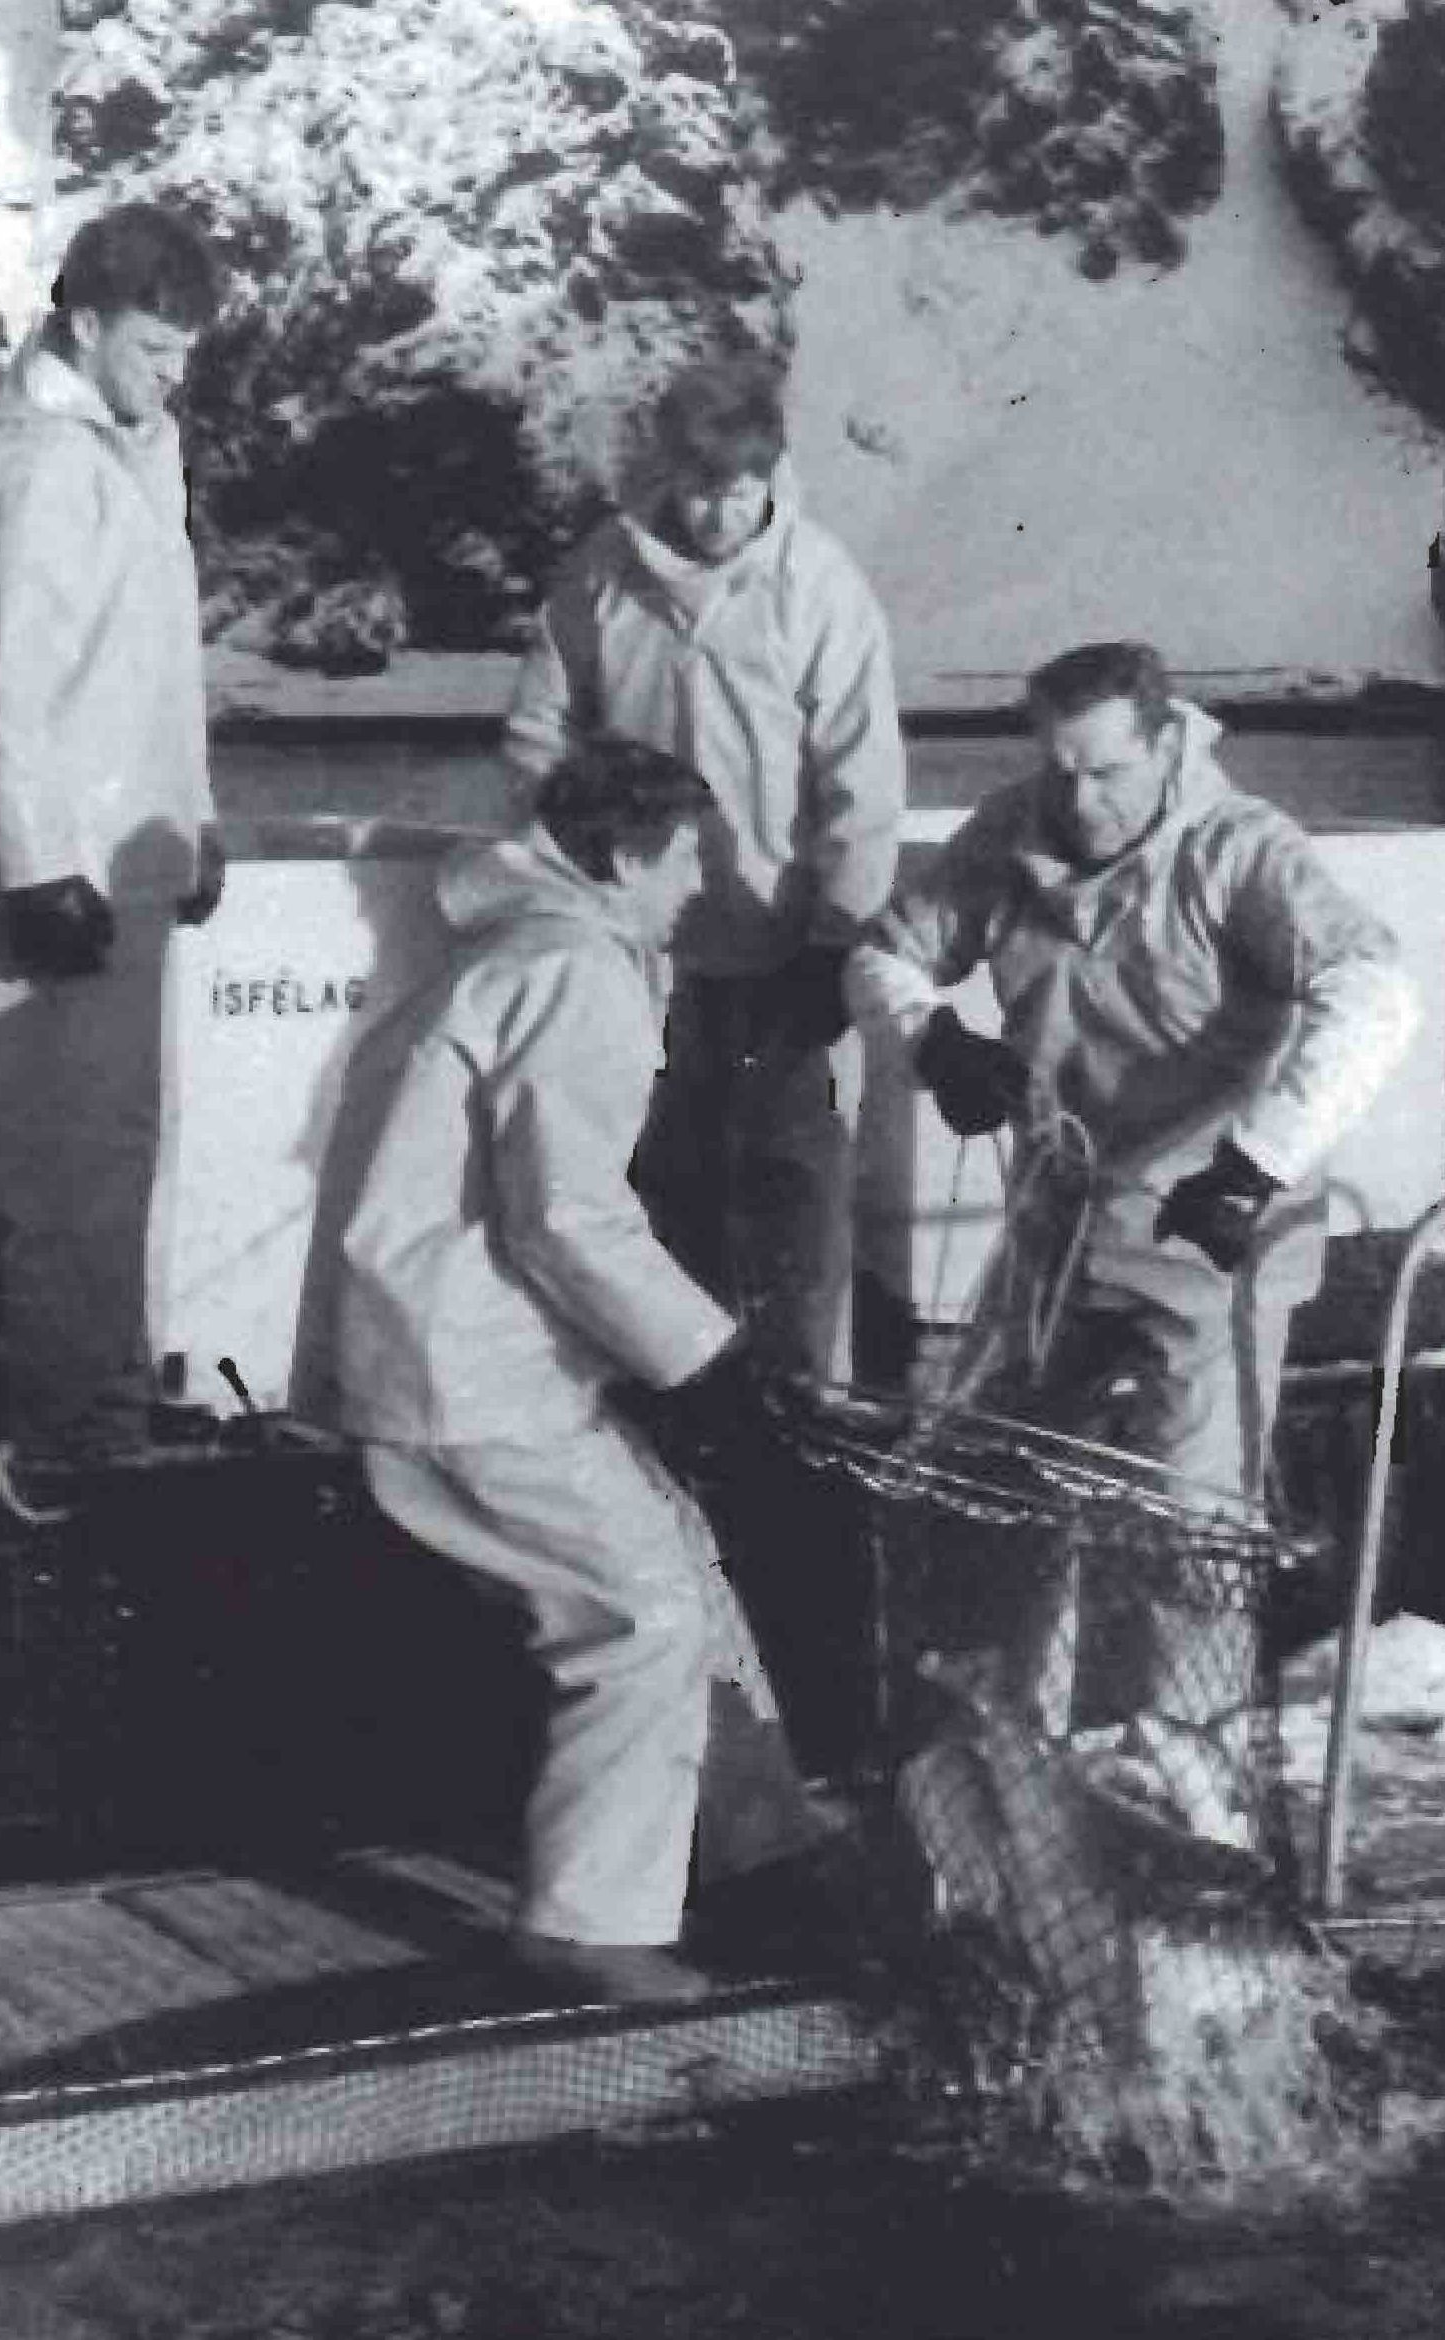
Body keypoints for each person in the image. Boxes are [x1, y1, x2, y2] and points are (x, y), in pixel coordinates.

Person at [847, 641, 1422, 1821]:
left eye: (1105, 771)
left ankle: (1194, 1786)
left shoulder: (1239, 850)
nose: (1080, 799)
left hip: (1212, 1235)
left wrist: (1256, 1159)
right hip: (1059, 1225)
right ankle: (1003, 1762)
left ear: (1165, 744)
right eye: (1057, 769)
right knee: (998, 1481)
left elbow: (1375, 990)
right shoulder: (1010, 836)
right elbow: (881, 953)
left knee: (1190, 1525)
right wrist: (933, 1041)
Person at [330, 735, 828, 2005]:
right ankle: (586, 1928)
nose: (698, 888)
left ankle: (757, 1854)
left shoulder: (511, 950)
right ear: (623, 858)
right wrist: (710, 1363)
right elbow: (565, 1219)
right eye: (686, 861)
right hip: (469, 1378)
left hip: (457, 1354)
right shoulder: (574, 970)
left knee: (681, 1554)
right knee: (638, 1614)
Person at [505, 354, 906, 1377]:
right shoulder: (603, 574)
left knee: (788, 1178)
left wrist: (836, 931)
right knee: (652, 1166)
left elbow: (862, 775)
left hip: (778, 943)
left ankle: (796, 1389)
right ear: (666, 475)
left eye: (739, 490)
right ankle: (675, 1389)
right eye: (697, 490)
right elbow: (541, 731)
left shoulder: (817, 586)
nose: (719, 514)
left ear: (769, 474)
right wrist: (578, 870)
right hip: (638, 943)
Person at [0, 202, 225, 1505]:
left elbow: (151, 670)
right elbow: (2, 693)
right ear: (85, 324)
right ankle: (60, 1438)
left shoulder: (127, 450)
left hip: (125, 866)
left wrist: (192, 819)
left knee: (113, 1151)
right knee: (60, 1165)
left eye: (186, 351)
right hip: (57, 883)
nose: (174, 375)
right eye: (155, 347)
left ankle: (104, 1406)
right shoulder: (30, 469)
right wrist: (39, 869)